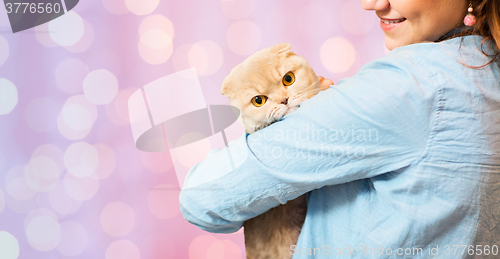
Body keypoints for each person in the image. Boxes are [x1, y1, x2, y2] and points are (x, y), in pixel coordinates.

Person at [180, 0, 500, 258]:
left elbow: (202, 198)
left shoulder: (411, 83)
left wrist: (301, 118)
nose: (371, 4)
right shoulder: (487, 69)